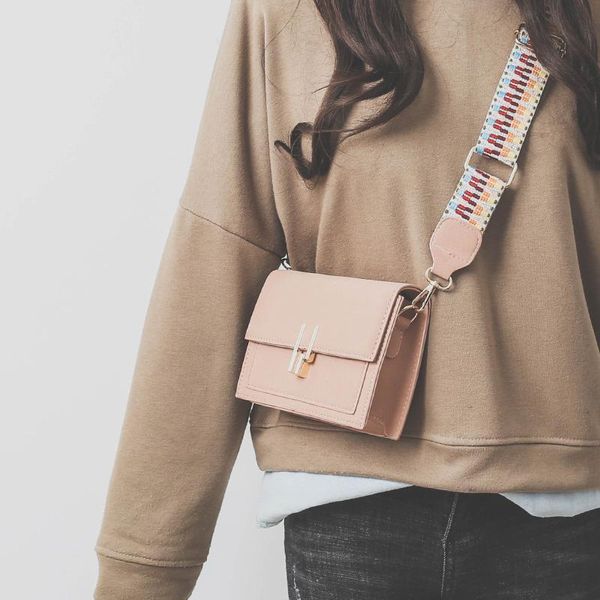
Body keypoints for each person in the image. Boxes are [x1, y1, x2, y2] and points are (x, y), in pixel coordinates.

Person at [94, 1, 600, 598]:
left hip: (566, 511)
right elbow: (215, 263)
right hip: (346, 503)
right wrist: (142, 571)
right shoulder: (284, 11)